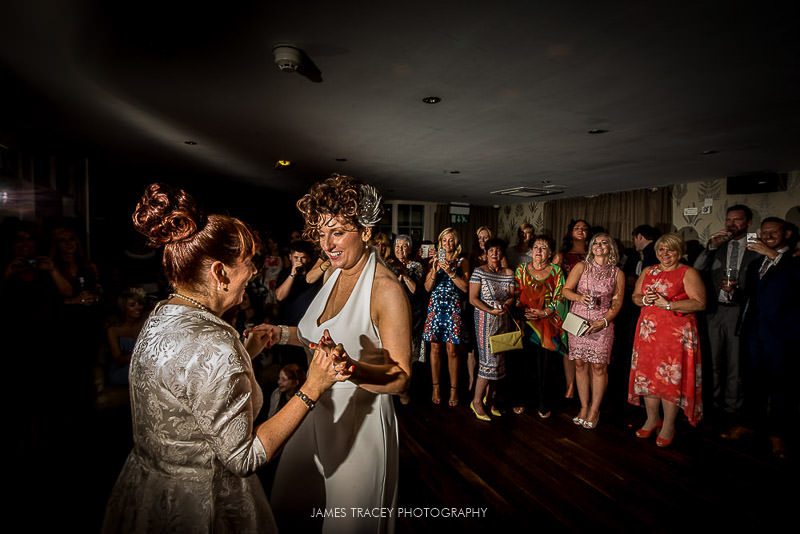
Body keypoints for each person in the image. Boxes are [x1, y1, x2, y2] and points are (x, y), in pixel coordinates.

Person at [102, 183, 344, 533]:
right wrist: (314, 385)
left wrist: (247, 353)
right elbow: (244, 458)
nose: (254, 272)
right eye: (247, 264)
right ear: (219, 272)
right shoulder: (216, 346)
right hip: (201, 504)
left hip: (149, 487)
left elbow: (188, 382)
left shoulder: (163, 312)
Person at [268, 174, 412, 534]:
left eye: (337, 232)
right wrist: (280, 334)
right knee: (290, 510)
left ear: (365, 231)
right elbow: (320, 340)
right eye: (320, 232)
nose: (326, 244)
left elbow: (400, 378)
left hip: (358, 426)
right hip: (314, 411)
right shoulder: (335, 272)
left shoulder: (385, 290)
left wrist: (350, 368)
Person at [629, 233, 705, 447]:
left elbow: (700, 303)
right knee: (647, 376)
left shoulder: (687, 272)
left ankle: (669, 424)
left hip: (675, 334)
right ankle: (652, 419)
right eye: (661, 250)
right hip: (647, 333)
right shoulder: (648, 271)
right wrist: (643, 299)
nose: (665, 254)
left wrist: (669, 305)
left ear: (679, 251)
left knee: (668, 379)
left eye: (670, 250)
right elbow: (635, 297)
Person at [736, 217, 799, 458]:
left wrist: (774, 256)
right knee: (752, 382)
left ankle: (778, 436)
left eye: (773, 232)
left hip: (783, 335)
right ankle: (748, 425)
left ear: (788, 233)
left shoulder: (793, 261)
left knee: (781, 386)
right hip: (755, 332)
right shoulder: (756, 264)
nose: (768, 236)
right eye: (764, 232)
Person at [693, 205, 759, 422]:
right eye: (729, 220)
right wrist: (710, 247)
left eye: (737, 220)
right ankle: (711, 404)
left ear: (748, 222)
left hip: (739, 311)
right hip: (715, 311)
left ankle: (732, 409)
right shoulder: (718, 246)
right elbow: (697, 269)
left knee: (735, 362)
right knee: (712, 359)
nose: (731, 224)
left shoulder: (756, 248)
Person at [562, 233, 625, 429]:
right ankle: (583, 406)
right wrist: (580, 299)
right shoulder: (581, 266)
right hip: (578, 320)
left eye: (603, 242)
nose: (599, 245)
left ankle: (594, 409)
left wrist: (604, 321)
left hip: (601, 324)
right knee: (580, 364)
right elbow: (566, 290)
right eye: (596, 242)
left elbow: (617, 302)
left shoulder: (617, 273)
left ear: (611, 248)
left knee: (599, 367)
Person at [512, 235, 568, 417]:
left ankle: (543, 403)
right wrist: (522, 311)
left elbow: (561, 296)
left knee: (545, 366)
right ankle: (521, 399)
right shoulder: (521, 269)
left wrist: (545, 312)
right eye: (536, 247)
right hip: (525, 322)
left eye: (543, 248)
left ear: (550, 253)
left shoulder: (556, 271)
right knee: (522, 363)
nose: (538, 251)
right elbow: (514, 293)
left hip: (547, 324)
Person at [423, 227, 470, 406]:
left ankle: (454, 389)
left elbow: (465, 288)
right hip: (435, 306)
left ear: (456, 242)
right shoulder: (433, 260)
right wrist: (435, 270)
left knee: (452, 350)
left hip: (452, 307)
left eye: (451, 240)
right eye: (444, 240)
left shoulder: (462, 261)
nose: (448, 243)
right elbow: (427, 288)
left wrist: (451, 272)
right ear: (440, 242)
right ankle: (435, 387)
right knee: (435, 349)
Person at [468, 238, 514, 420]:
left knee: (500, 364)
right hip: (485, 320)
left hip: (503, 320)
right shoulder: (479, 272)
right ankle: (476, 402)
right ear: (486, 254)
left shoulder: (508, 272)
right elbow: (473, 299)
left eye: (498, 250)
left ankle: (491, 400)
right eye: (491, 250)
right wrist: (490, 310)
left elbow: (512, 296)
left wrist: (506, 305)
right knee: (489, 362)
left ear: (502, 253)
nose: (495, 253)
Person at [553, 219, 591, 400]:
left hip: (591, 305)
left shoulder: (594, 254)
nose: (581, 230)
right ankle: (570, 385)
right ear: (570, 232)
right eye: (577, 228)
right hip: (569, 303)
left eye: (584, 228)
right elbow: (553, 279)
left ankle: (587, 385)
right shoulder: (563, 255)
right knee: (569, 346)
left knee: (588, 346)